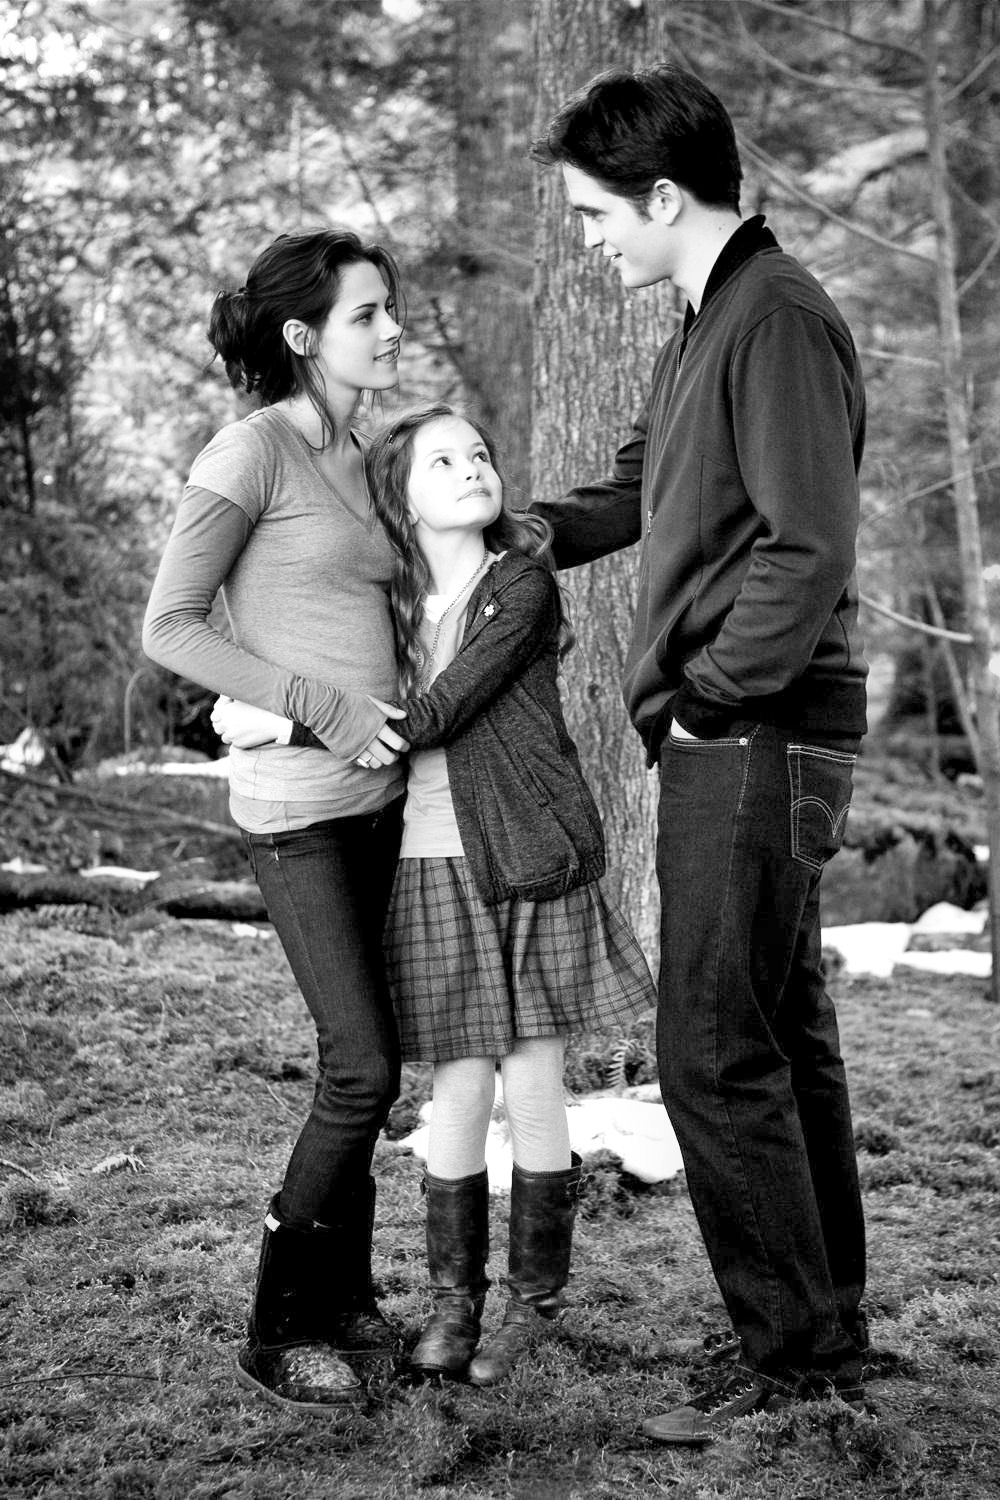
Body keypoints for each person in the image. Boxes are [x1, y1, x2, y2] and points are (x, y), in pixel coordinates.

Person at [529, 65, 870, 1443]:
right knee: (780, 1032)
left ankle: (790, 1359)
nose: (588, 238)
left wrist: (710, 700)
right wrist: (515, 533)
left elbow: (808, 544)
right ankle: (825, 1333)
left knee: (712, 1049)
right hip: (755, 727)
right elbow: (638, 488)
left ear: (663, 196)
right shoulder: (705, 322)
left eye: (595, 213)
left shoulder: (773, 317)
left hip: (759, 728)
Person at [213, 401, 657, 1387]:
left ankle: (532, 1301)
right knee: (458, 1084)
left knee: (532, 1074)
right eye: (442, 462)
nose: (471, 470)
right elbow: (320, 658)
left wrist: (284, 723)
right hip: (427, 864)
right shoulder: (388, 604)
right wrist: (256, 688)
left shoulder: (518, 587)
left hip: (526, 854)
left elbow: (436, 712)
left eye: (480, 455)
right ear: (400, 498)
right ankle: (454, 1304)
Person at [142, 228, 412, 1413]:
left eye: (389, 309)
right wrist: (314, 705)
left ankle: (345, 1298)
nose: (392, 329)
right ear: (304, 335)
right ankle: (277, 1324)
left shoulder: (367, 452)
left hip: (387, 803)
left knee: (371, 1064)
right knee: (360, 1068)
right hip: (297, 810)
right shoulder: (248, 452)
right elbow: (171, 624)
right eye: (368, 314)